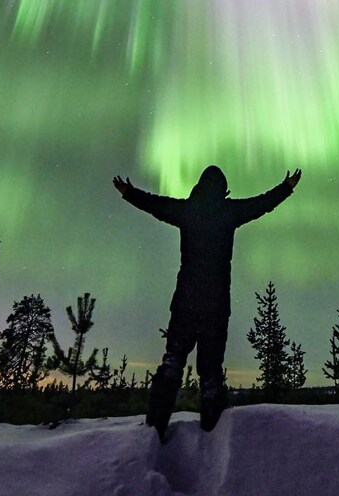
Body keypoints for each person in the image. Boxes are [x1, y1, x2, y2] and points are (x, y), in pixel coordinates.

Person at [113, 164, 301, 439]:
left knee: (173, 361)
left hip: (185, 300)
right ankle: (211, 434)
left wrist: (128, 192)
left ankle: (155, 426)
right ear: (223, 190)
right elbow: (261, 204)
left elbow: (156, 205)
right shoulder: (229, 212)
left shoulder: (187, 210)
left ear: (200, 186)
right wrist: (286, 188)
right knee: (211, 372)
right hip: (215, 304)